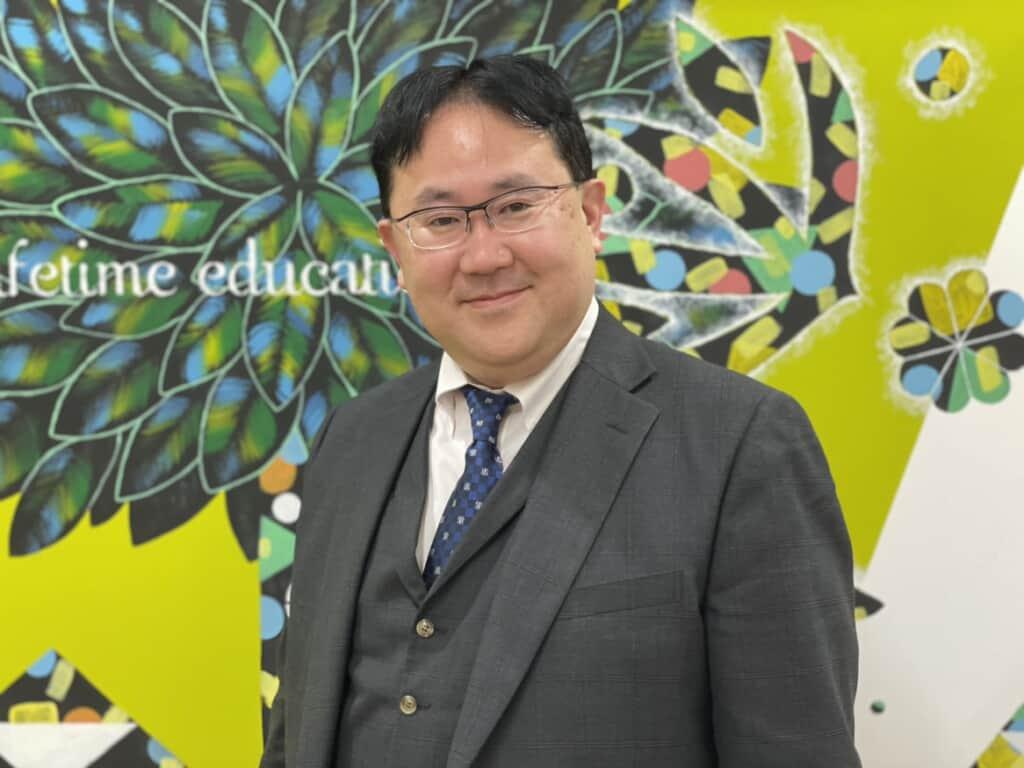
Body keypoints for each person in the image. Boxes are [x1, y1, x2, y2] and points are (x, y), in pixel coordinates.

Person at [260, 55, 860, 768]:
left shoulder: (739, 445)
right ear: (395, 247)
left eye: (517, 206)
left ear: (591, 213)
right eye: (441, 220)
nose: (484, 256)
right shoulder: (352, 439)